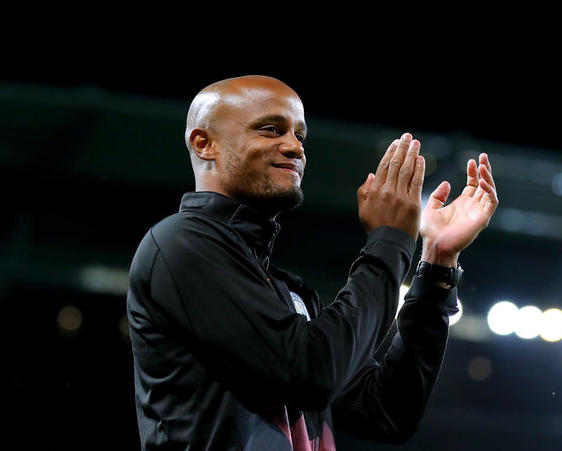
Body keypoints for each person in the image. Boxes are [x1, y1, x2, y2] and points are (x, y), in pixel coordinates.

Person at [126, 75, 498, 450]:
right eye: (271, 130)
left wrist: (436, 266)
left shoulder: (288, 294)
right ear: (205, 143)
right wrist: (390, 240)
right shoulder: (180, 243)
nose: (294, 148)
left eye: (299, 136)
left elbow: (385, 412)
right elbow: (311, 374)